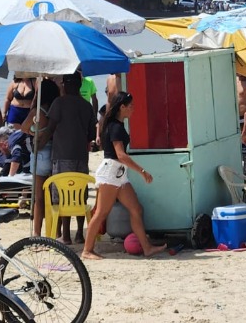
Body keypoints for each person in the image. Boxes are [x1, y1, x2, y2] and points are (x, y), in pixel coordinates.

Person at [82, 92, 167, 260]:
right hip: (111, 172)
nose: (133, 109)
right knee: (101, 213)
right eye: (131, 106)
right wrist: (142, 171)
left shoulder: (116, 124)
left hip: (118, 173)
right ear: (122, 107)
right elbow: (120, 155)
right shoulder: (115, 127)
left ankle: (147, 248)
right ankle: (87, 250)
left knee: (136, 209)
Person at [38, 71, 97, 244]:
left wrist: (39, 143)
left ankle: (65, 235)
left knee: (62, 195)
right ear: (79, 85)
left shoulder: (59, 103)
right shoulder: (86, 106)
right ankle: (79, 233)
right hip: (80, 156)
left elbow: (50, 128)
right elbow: (92, 134)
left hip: (62, 155)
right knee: (79, 194)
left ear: (65, 84)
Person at [21, 78, 61, 236]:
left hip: (40, 154)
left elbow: (24, 127)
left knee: (39, 198)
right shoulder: (56, 111)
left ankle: (37, 233)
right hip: (55, 153)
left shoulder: (37, 112)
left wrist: (34, 132)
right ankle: (55, 232)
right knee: (54, 197)